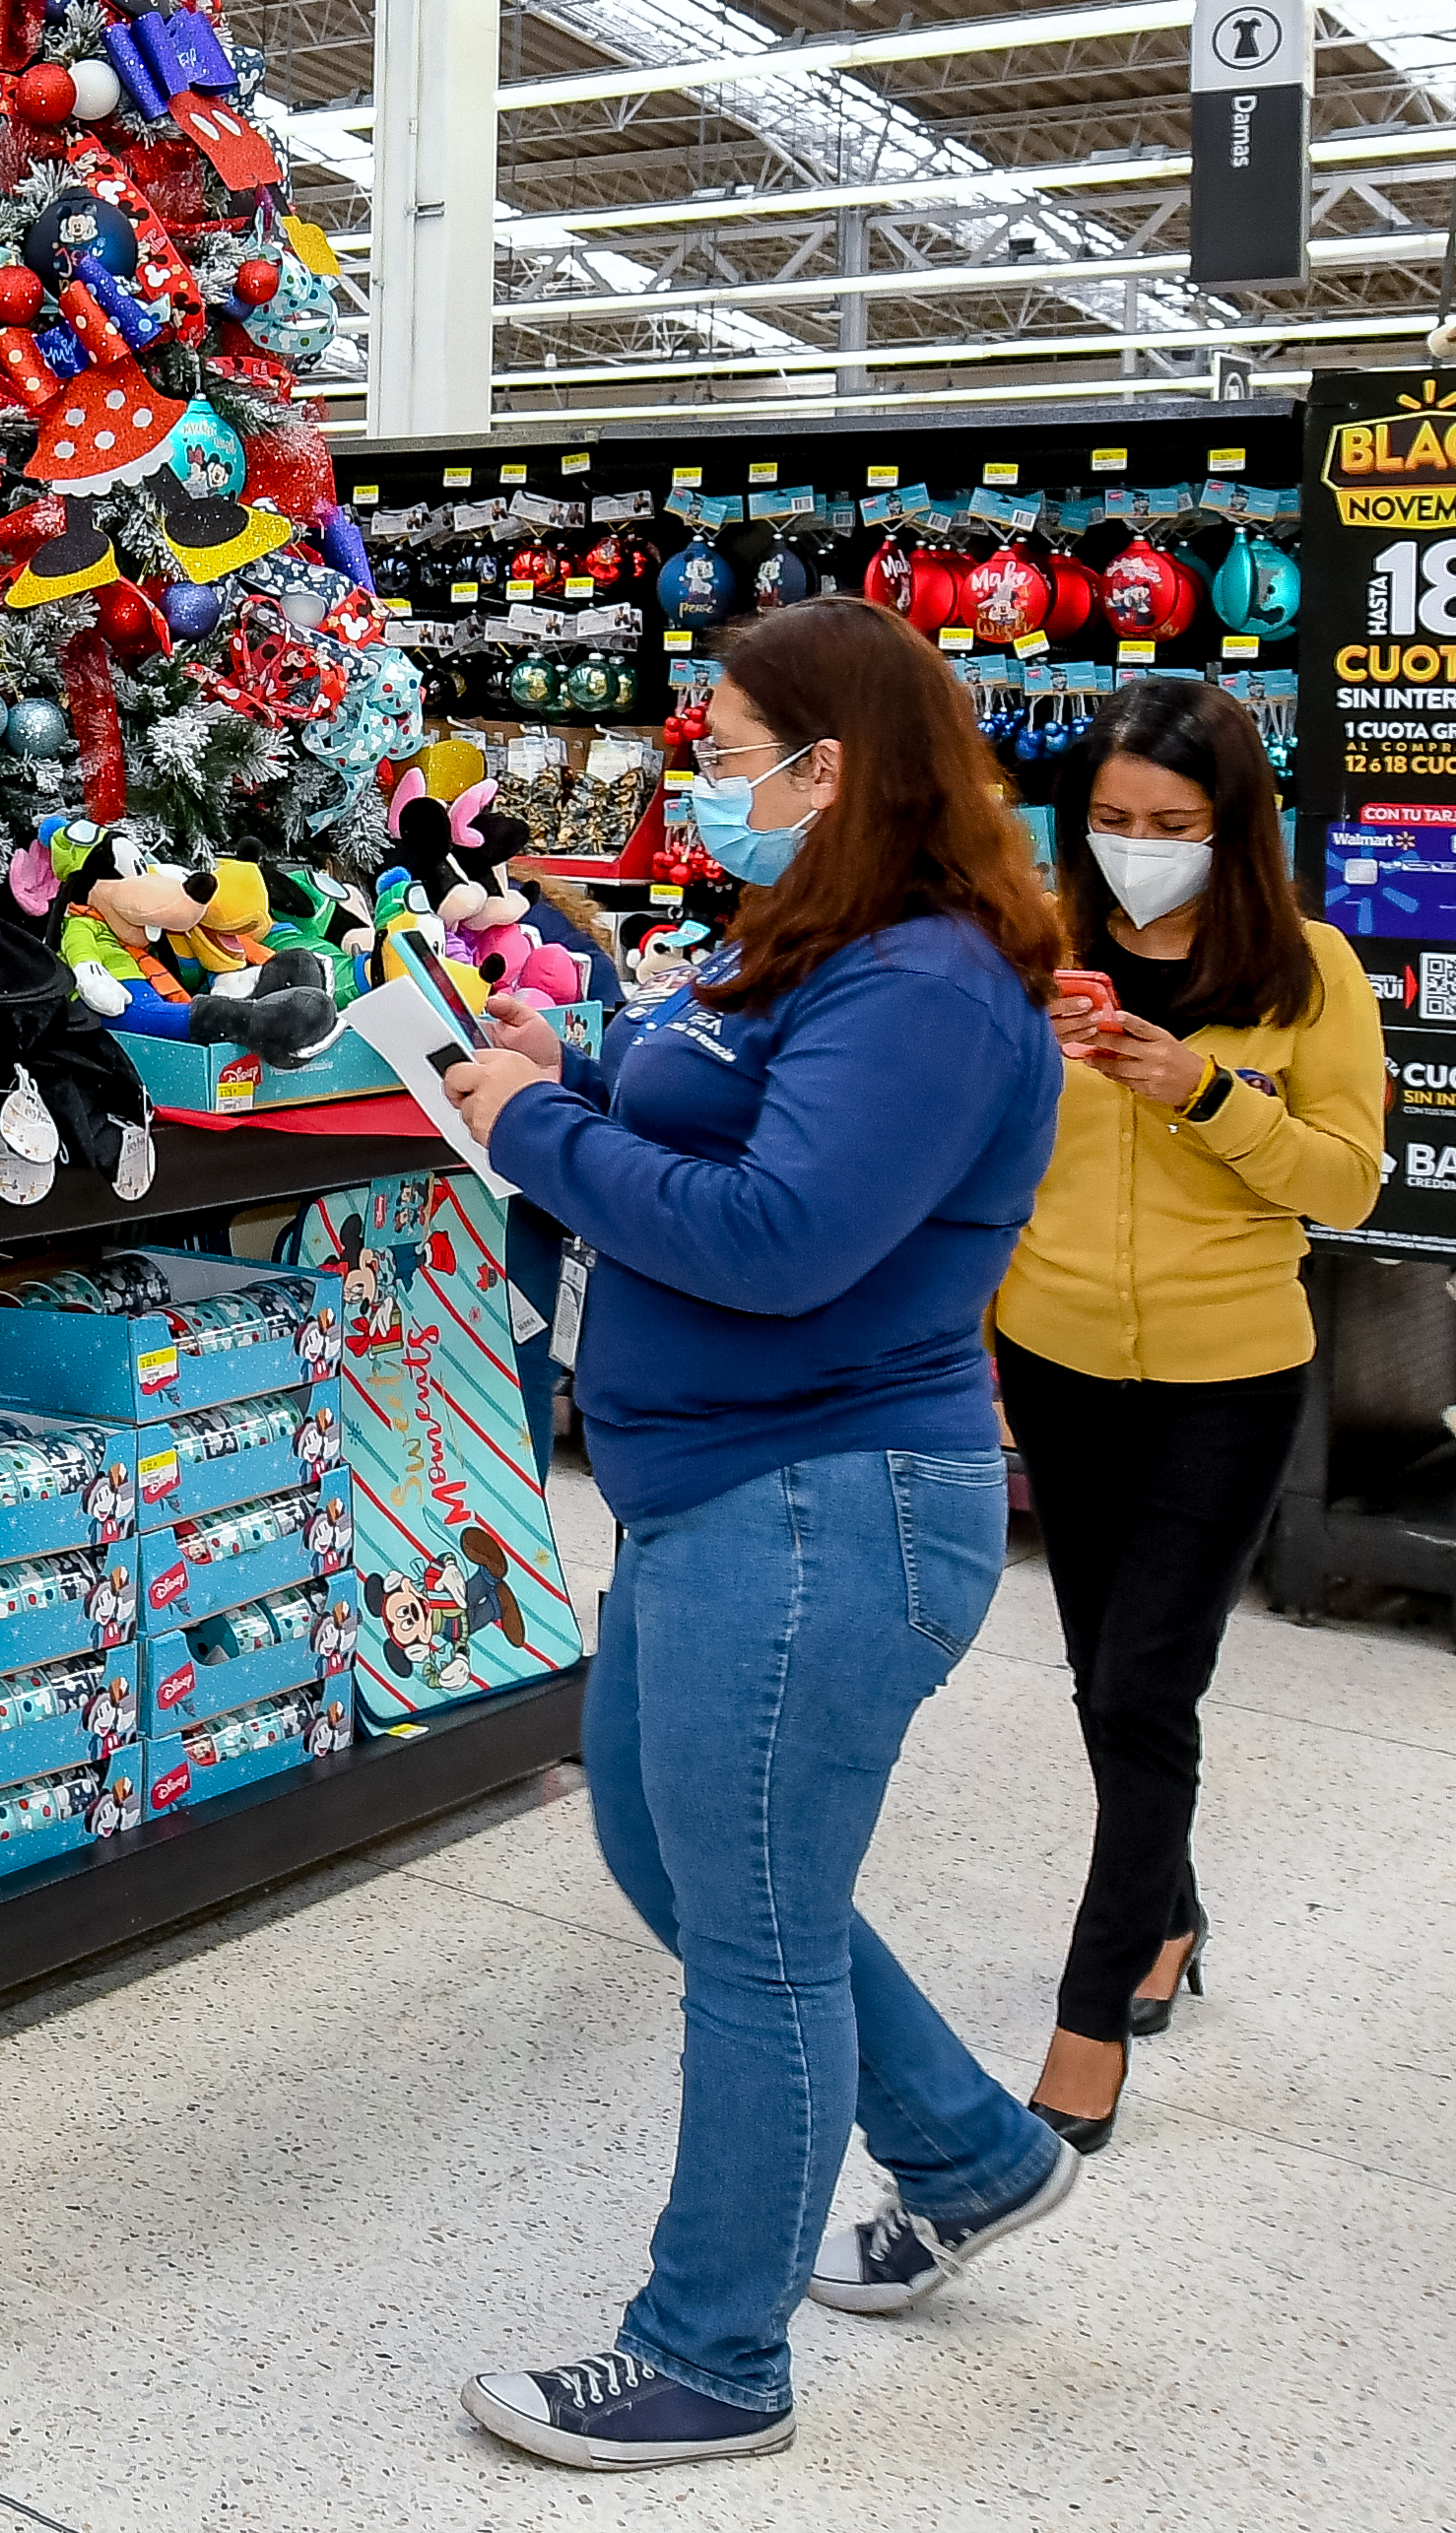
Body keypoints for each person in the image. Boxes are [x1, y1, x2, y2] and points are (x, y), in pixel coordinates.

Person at [433, 596, 1077, 2472]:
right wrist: (561, 1074)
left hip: (821, 1505)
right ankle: (965, 2148)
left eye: (724, 760)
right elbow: (710, 1155)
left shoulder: (928, 985)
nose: (702, 790)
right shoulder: (814, 946)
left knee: (758, 1938)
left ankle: (711, 2358)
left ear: (835, 765)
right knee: (670, 1854)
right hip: (709, 1488)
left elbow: (778, 1240)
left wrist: (534, 1132)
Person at [990, 678, 1377, 2150]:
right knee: (1108, 1672)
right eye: (1112, 821)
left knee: (1146, 1686)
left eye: (1175, 824)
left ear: (1235, 829)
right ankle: (1175, 1911)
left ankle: (1089, 2026)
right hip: (1059, 1358)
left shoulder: (1308, 971)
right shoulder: (1040, 957)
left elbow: (1345, 1181)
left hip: (1231, 1373)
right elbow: (993, 1162)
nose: (1140, 845)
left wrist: (1204, 1089)